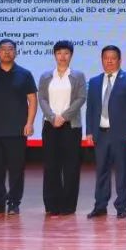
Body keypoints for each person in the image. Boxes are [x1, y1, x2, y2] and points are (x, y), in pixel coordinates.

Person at [0, 38, 37, 217]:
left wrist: (29, 123)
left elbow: (32, 100)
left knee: (17, 170)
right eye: (3, 49)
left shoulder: (25, 74)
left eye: (11, 49)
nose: (7, 52)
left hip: (17, 131)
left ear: (15, 52)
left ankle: (14, 203)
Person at [85, 45, 126, 219]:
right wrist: (89, 131)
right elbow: (91, 108)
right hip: (101, 134)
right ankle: (100, 205)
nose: (109, 61)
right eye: (106, 58)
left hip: (122, 134)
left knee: (123, 172)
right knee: (101, 171)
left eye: (113, 58)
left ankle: (121, 206)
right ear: (101, 60)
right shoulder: (94, 81)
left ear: (119, 60)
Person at [37, 40, 87, 216]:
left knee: (71, 167)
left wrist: (64, 116)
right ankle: (52, 205)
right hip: (50, 125)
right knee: (51, 166)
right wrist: (52, 117)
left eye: (66, 53)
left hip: (71, 126)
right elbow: (42, 98)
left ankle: (68, 205)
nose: (62, 56)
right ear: (54, 55)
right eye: (59, 53)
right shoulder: (45, 76)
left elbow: (81, 98)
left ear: (71, 55)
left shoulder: (78, 76)